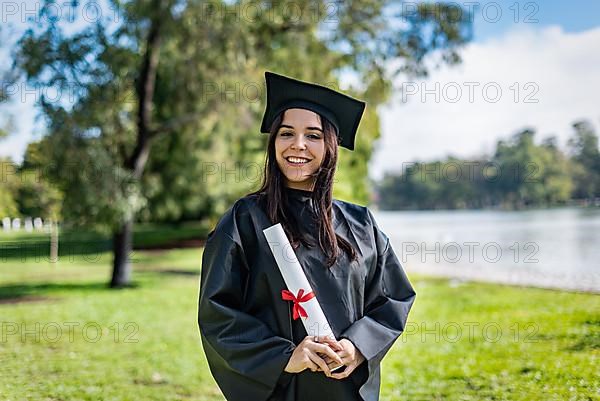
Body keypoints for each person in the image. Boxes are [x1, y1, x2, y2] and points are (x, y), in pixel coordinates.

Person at [197, 71, 416, 401]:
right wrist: (284, 355)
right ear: (274, 142)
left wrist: (357, 346)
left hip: (346, 388)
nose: (297, 145)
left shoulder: (361, 224)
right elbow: (218, 311)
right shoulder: (246, 220)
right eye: (287, 133)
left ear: (331, 146)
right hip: (284, 390)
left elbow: (392, 298)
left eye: (313, 135)